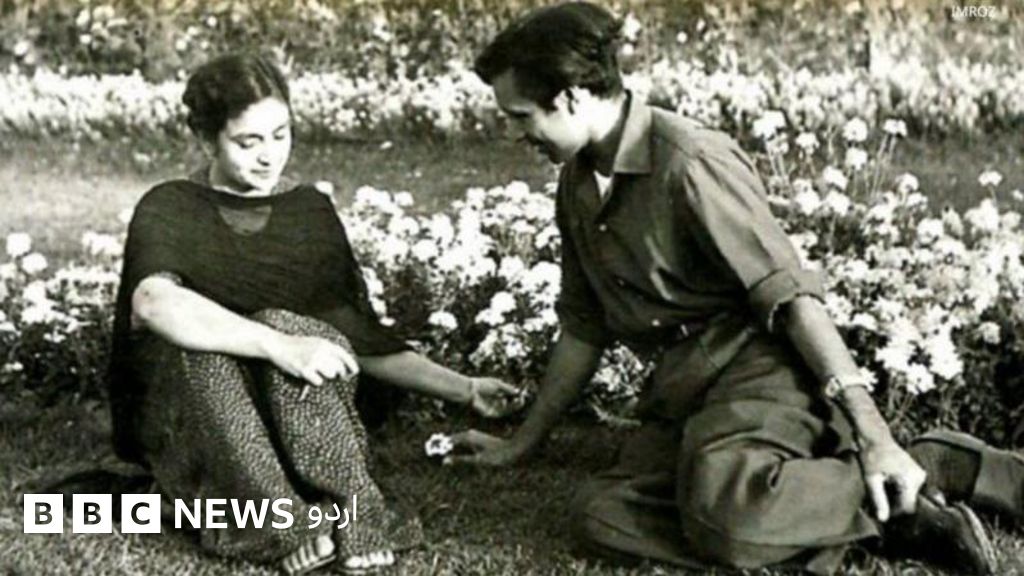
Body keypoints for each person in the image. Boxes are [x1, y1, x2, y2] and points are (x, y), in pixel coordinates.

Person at [448, 3, 1024, 574]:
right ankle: (864, 513)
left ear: (572, 97)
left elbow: (791, 298)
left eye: (521, 116)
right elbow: (583, 325)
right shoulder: (577, 184)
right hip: (687, 393)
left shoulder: (690, 162)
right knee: (600, 515)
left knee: (724, 514)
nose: (515, 133)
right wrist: (520, 445)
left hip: (760, 372)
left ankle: (931, 464)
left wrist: (873, 433)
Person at [107, 52, 519, 575]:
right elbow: (154, 302)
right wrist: (279, 346)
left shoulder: (307, 211)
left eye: (281, 135)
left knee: (299, 326)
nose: (268, 157)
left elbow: (356, 336)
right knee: (212, 349)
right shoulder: (171, 205)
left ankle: (350, 508)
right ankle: (276, 526)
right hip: (200, 420)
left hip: (295, 426)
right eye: (248, 142)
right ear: (207, 140)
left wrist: (465, 388)